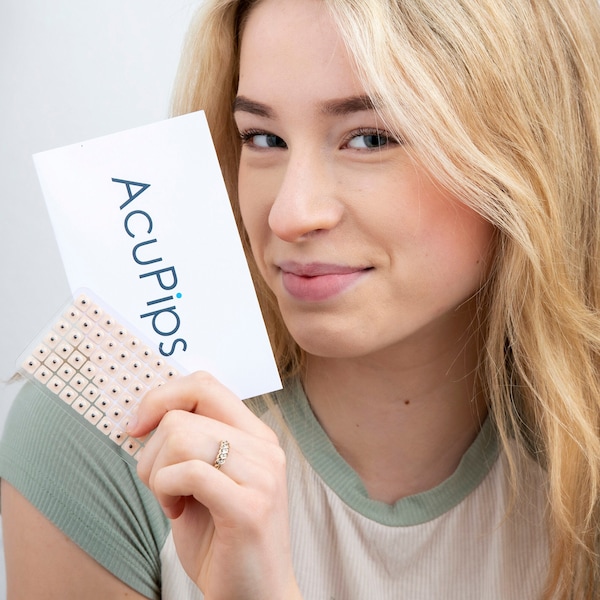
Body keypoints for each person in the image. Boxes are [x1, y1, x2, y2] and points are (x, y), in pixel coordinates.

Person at [2, 0, 600, 598]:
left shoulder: (583, 452)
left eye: (370, 138)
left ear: (534, 153)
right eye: (263, 137)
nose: (290, 214)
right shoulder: (110, 431)